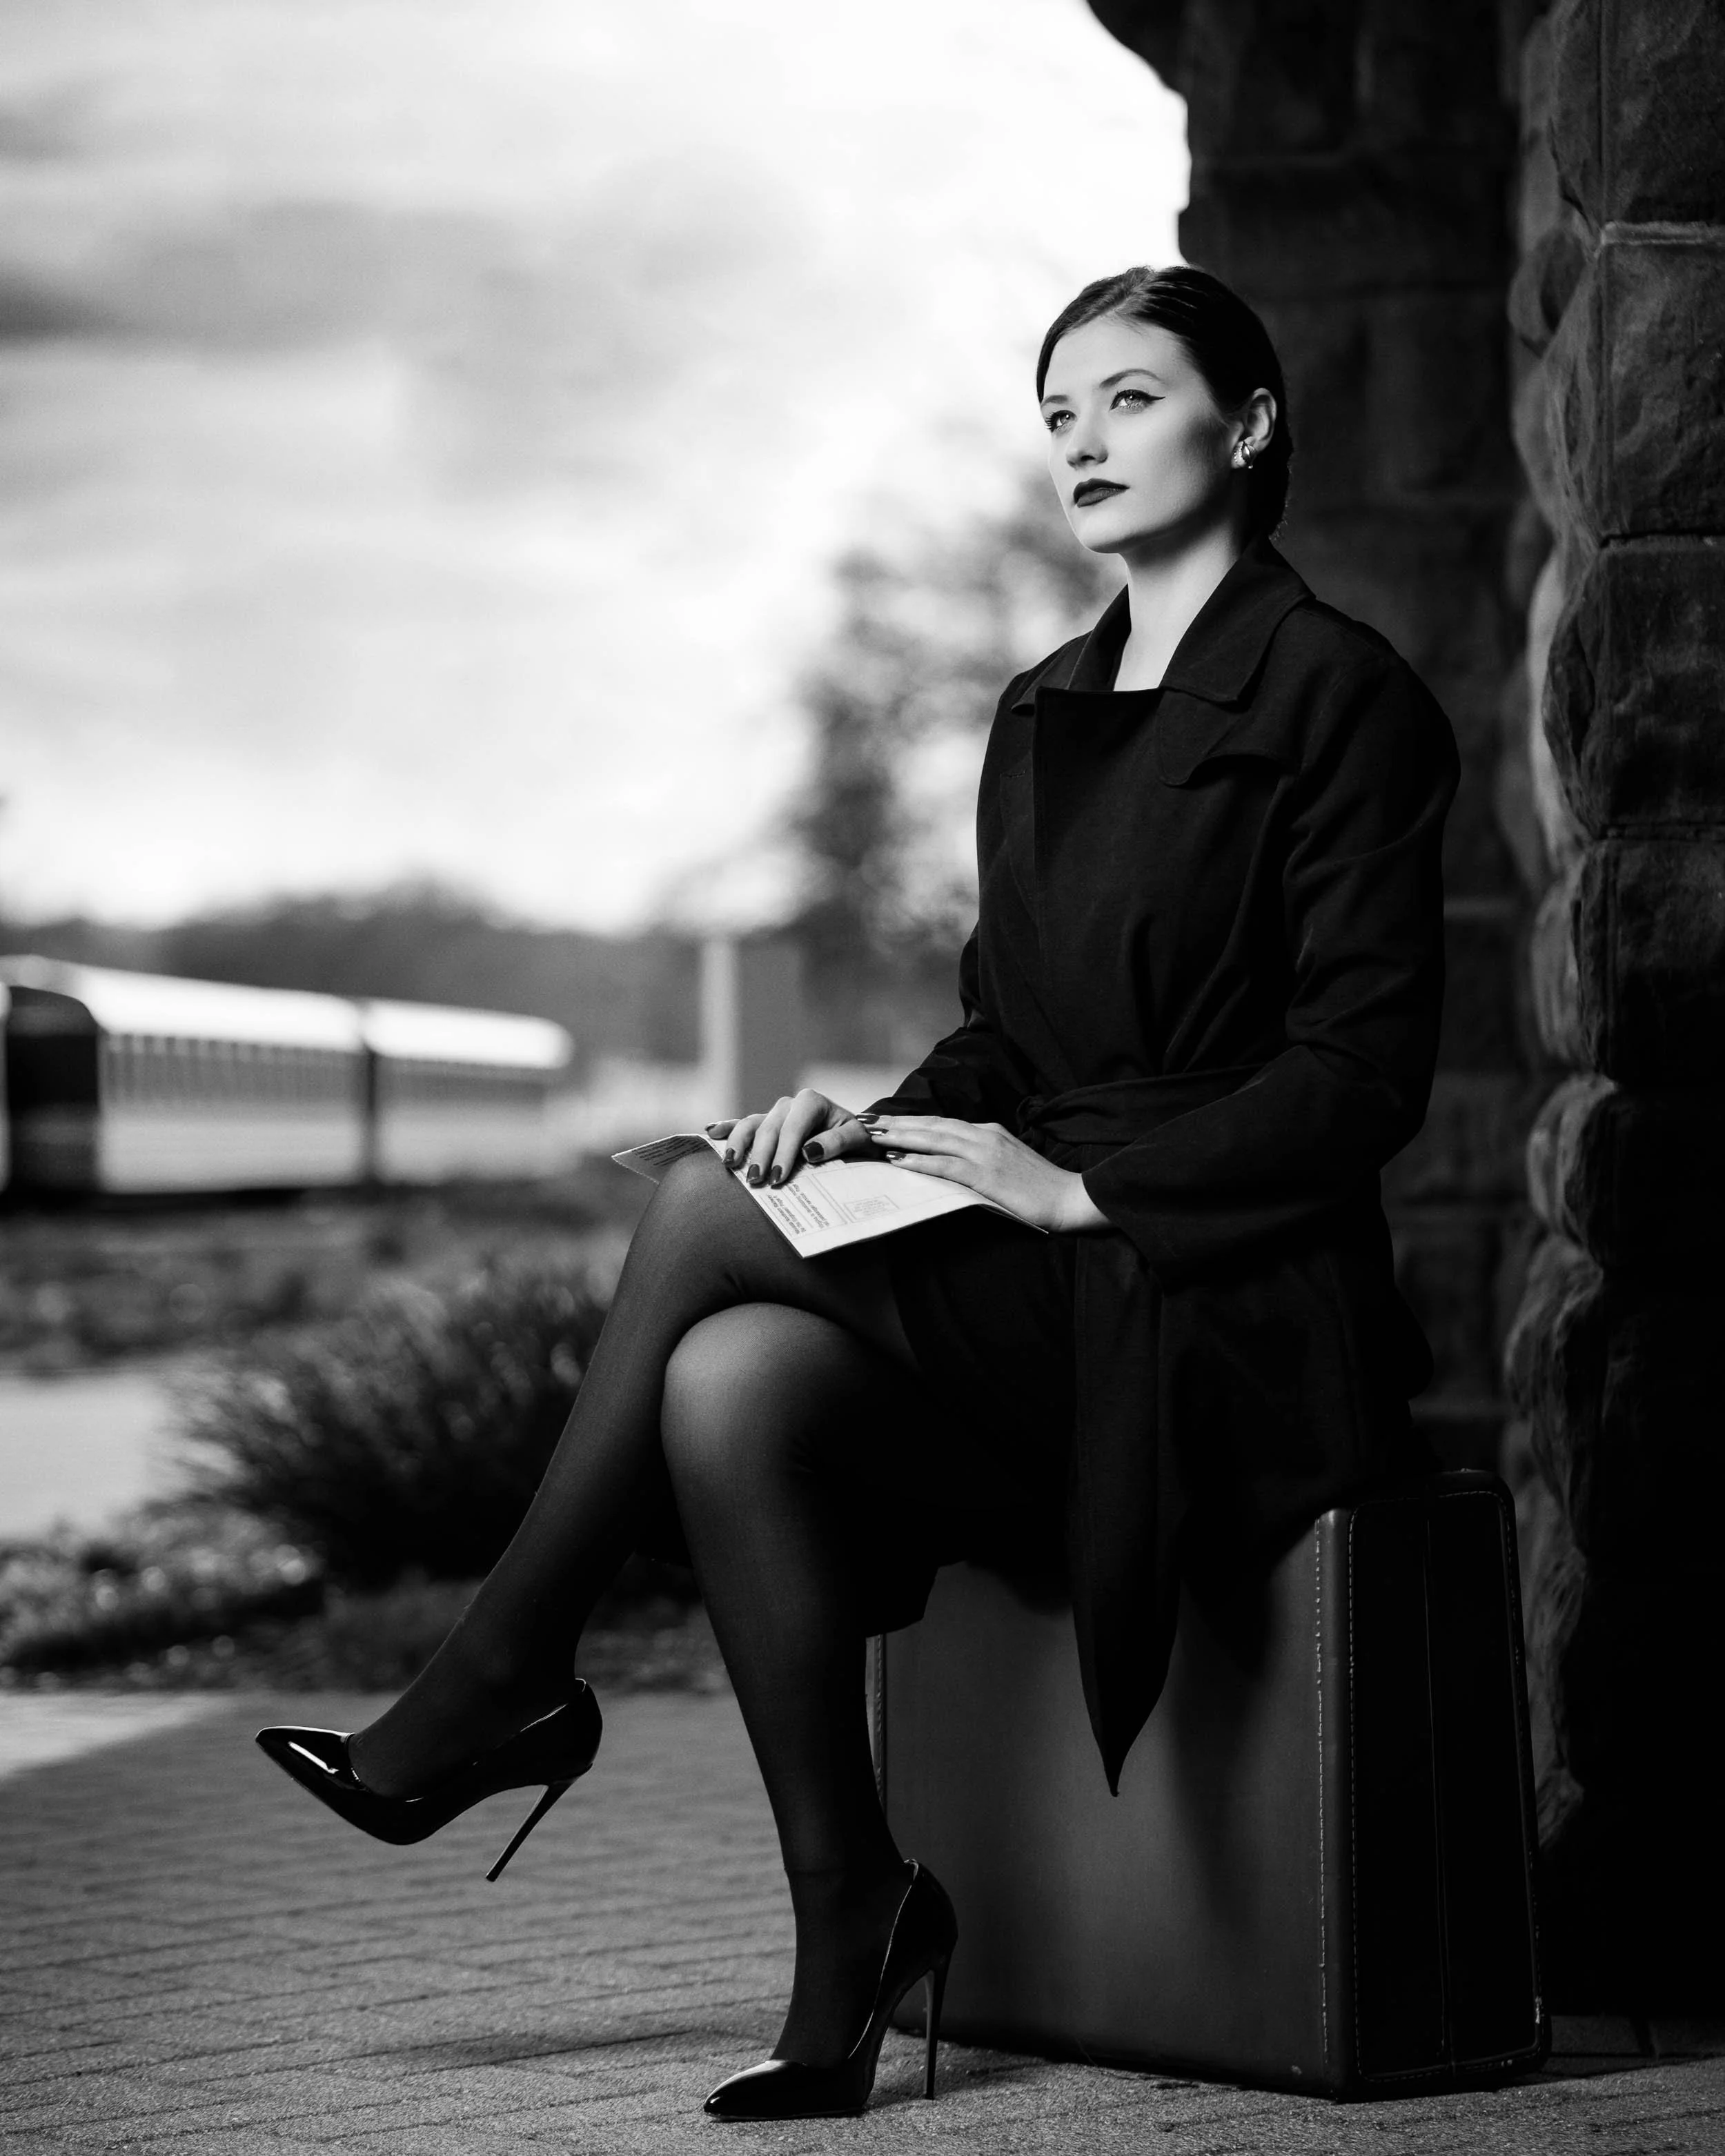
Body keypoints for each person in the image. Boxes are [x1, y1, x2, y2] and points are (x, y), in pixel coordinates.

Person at [257, 264, 1457, 2121]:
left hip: (1216, 1305)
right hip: (1048, 1278)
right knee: (727, 1377)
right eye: (1057, 414)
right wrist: (867, 1129)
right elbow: (1003, 1036)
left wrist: (1084, 1192)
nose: (1082, 442)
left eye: (1131, 399)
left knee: (693, 1218)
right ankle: (852, 1909)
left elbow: (1362, 1073)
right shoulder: (1042, 708)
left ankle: (501, 1675)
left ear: (1249, 425)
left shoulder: (1340, 696)